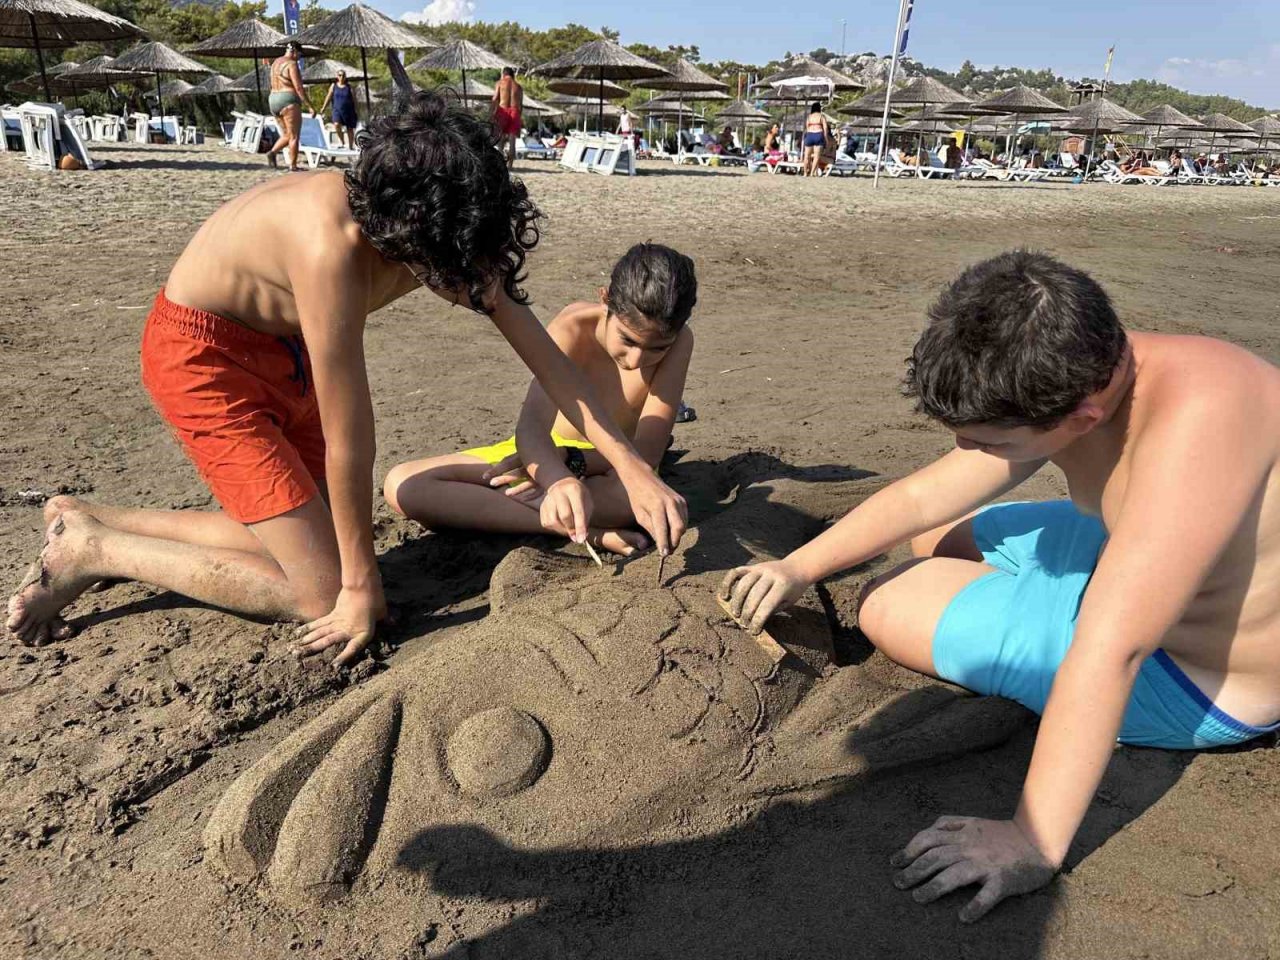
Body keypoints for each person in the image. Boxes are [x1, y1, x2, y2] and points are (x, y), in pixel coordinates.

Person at [6, 93, 687, 667]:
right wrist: (361, 588)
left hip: (283, 351)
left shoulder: (436, 224)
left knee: (315, 537)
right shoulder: (327, 248)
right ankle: (97, 549)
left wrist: (635, 471)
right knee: (321, 590)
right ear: (415, 238)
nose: (472, 284)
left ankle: (88, 517)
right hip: (204, 359)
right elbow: (349, 436)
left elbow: (549, 361)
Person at [721, 251, 1280, 922]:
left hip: (1197, 673)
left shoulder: (1198, 430)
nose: (971, 452)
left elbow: (1111, 652)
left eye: (990, 443)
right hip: (1132, 547)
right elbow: (928, 495)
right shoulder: (1085, 360)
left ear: (1083, 417)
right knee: (937, 535)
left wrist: (1031, 841)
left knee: (889, 600)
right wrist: (798, 567)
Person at [383, 243, 697, 557]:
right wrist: (556, 478)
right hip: (544, 455)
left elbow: (646, 456)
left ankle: (538, 511)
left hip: (611, 469)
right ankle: (585, 531)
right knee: (403, 484)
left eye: (657, 348)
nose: (637, 358)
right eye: (627, 339)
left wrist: (571, 461)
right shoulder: (575, 325)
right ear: (605, 300)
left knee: (626, 501)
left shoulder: (680, 342)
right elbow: (531, 429)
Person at [265, 41, 313, 171]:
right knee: (294, 136)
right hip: (288, 99)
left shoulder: (275, 63)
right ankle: (293, 165)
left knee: (287, 134)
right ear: (295, 51)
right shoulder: (291, 64)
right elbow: (298, 87)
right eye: (299, 55)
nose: (299, 58)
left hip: (273, 99)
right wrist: (309, 106)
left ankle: (272, 153)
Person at [491, 66, 523, 168]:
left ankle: (501, 165)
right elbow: (520, 105)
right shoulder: (518, 86)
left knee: (500, 140)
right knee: (512, 141)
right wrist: (519, 117)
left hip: (502, 110)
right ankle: (510, 166)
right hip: (515, 111)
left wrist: (492, 113)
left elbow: (495, 98)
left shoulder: (500, 83)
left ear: (503, 74)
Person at [319, 68, 359, 149]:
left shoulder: (349, 87)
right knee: (336, 124)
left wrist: (356, 109)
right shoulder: (333, 86)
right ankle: (342, 141)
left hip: (348, 111)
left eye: (343, 75)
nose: (342, 77)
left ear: (345, 77)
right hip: (337, 110)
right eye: (340, 75)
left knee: (350, 129)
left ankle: (351, 146)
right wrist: (323, 107)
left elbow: (354, 99)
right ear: (337, 76)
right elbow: (328, 97)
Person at [801, 102, 830, 177]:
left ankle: (805, 173)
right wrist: (826, 139)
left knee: (806, 156)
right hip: (818, 134)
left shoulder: (809, 117)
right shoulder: (821, 116)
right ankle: (812, 173)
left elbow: (807, 127)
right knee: (817, 156)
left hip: (810, 134)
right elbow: (825, 128)